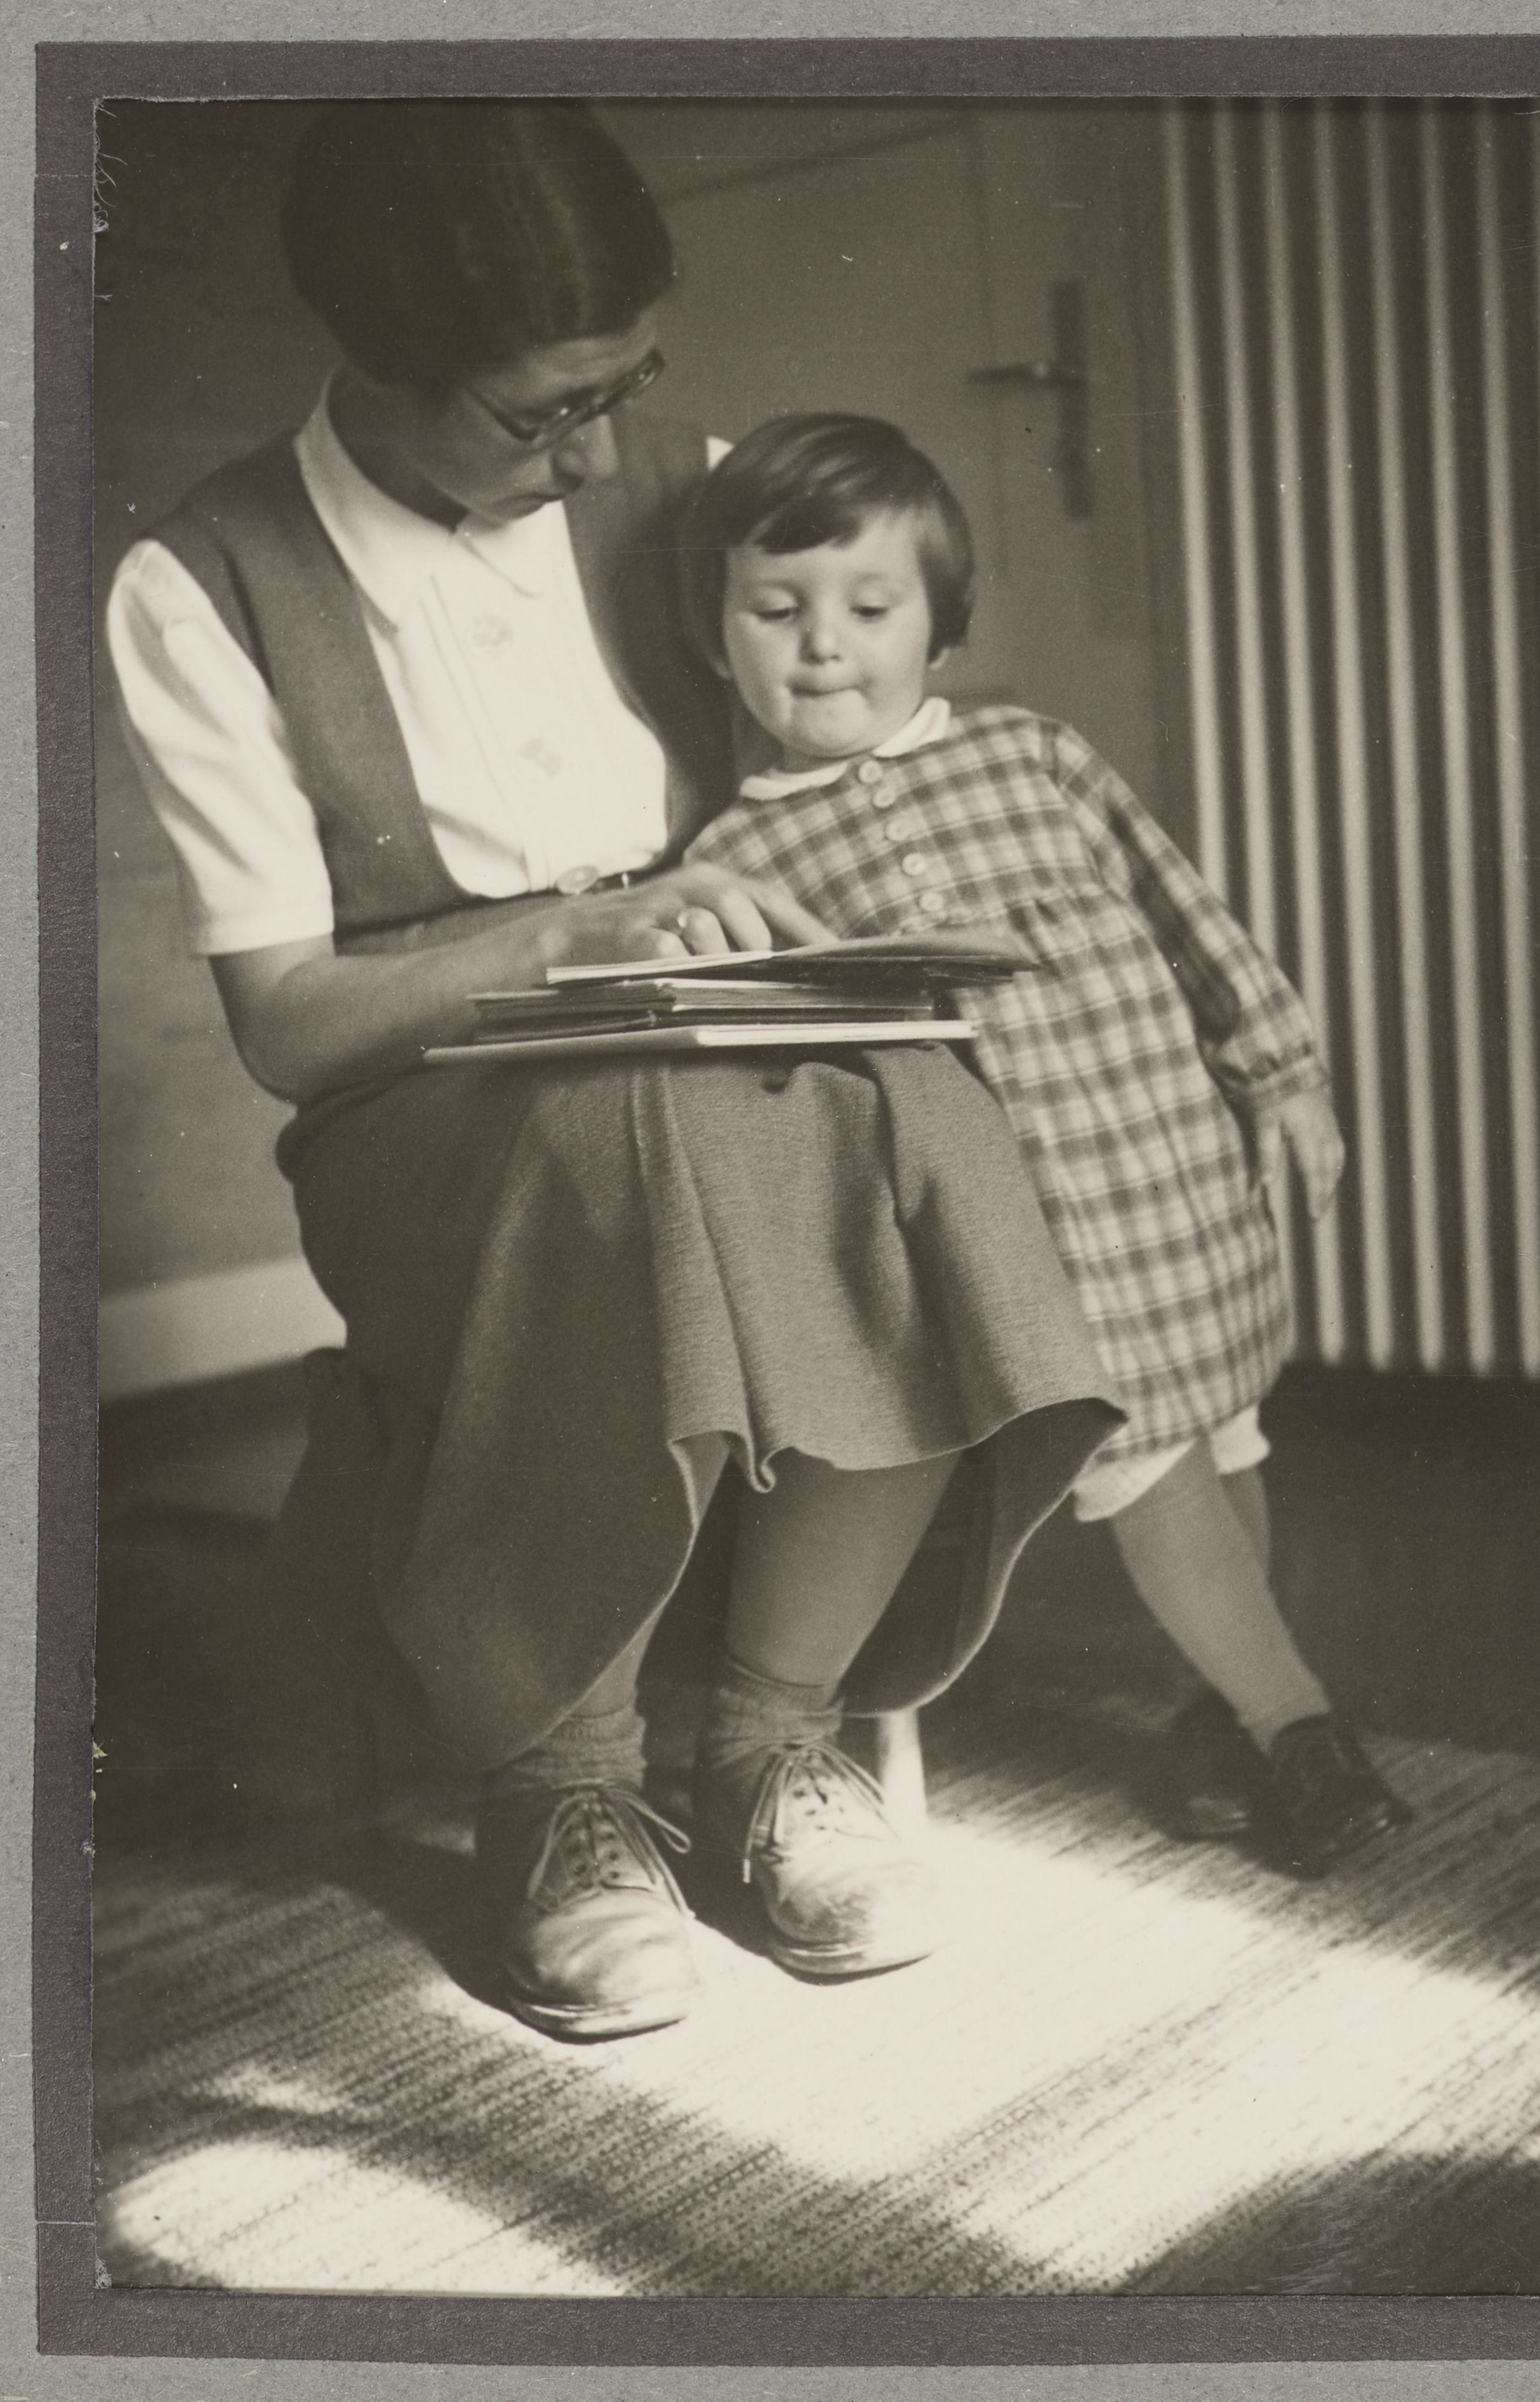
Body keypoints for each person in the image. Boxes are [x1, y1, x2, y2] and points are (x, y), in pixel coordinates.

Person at [105, 105, 1128, 2041]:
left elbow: (853, 746)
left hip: (724, 1019)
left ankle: (768, 1738)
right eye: (540, 413)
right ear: (378, 363)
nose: (596, 455)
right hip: (423, 1088)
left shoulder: (687, 488)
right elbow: (288, 1020)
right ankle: (560, 1787)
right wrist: (562, 944)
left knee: (924, 1113)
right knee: (624, 1136)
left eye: (623, 389)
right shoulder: (203, 583)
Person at [676, 412, 1414, 1876]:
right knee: (1139, 1452)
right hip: (1020, 1228)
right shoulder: (731, 860)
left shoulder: (1033, 754)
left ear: (938, 624)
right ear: (717, 634)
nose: (823, 645)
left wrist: (1282, 1070)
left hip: (1166, 1162)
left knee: (1220, 1424)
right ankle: (1301, 1731)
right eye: (775, 608)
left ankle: (1222, 1713)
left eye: (869, 607)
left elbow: (1182, 909)